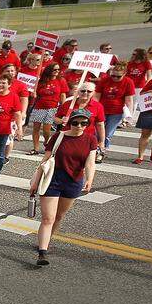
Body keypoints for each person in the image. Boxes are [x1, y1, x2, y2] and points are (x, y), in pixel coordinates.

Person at [29, 109, 97, 267]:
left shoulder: (91, 139)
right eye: (75, 122)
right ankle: (42, 253)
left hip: (73, 182)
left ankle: (46, 241)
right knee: (48, 218)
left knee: (59, 217)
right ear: (69, 123)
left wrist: (90, 179)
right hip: (53, 180)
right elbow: (44, 161)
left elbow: (90, 162)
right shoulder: (58, 137)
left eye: (83, 123)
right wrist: (34, 181)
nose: (79, 126)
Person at [94, 61, 135, 161]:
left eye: (118, 76)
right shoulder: (104, 80)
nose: (115, 78)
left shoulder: (128, 82)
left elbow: (129, 100)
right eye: (113, 76)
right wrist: (93, 109)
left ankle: (102, 151)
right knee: (97, 132)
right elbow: (97, 96)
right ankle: (94, 150)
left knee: (107, 133)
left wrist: (129, 116)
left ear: (124, 74)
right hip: (101, 109)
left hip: (116, 112)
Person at [28, 63, 69, 155]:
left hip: (52, 108)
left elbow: (63, 94)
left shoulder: (61, 80)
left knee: (47, 129)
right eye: (55, 70)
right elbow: (36, 92)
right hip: (39, 107)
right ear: (49, 70)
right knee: (36, 129)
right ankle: (36, 148)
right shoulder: (41, 81)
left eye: (58, 70)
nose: (57, 72)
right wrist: (33, 94)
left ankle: (47, 141)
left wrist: (63, 107)